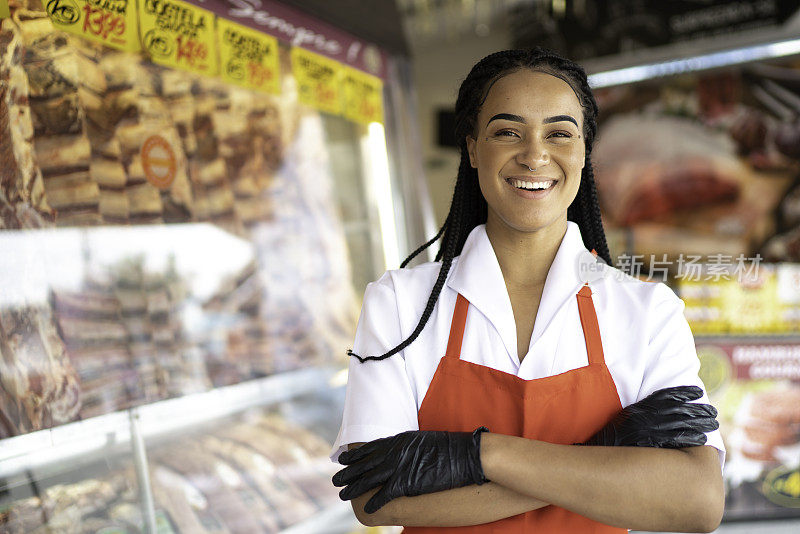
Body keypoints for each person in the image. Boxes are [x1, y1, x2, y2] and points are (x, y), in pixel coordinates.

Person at [330, 48, 725, 533]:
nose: (535, 154)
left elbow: (696, 501)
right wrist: (601, 460)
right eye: (507, 131)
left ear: (584, 151)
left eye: (559, 133)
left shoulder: (646, 311)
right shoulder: (399, 302)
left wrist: (479, 453)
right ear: (474, 148)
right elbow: (376, 498)